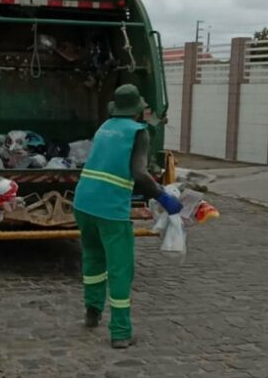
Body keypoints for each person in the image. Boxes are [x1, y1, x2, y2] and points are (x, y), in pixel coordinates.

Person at [73, 83, 183, 349]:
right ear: (138, 110)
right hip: (110, 208)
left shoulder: (104, 127)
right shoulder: (138, 132)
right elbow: (139, 173)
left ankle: (92, 312)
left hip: (83, 201)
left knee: (93, 257)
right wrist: (163, 196)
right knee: (120, 268)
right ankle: (121, 331)